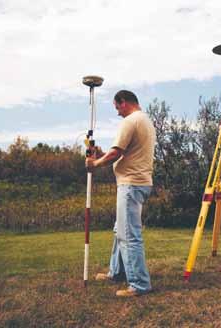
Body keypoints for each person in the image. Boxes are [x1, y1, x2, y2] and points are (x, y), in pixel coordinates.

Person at [85, 90, 156, 297]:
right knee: (120, 231)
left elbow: (117, 152)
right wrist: (100, 155)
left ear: (123, 102)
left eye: (117, 108)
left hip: (131, 184)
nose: (117, 113)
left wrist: (94, 164)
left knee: (129, 235)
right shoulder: (145, 120)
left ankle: (139, 284)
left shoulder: (130, 121)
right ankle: (116, 272)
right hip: (139, 183)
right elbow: (122, 152)